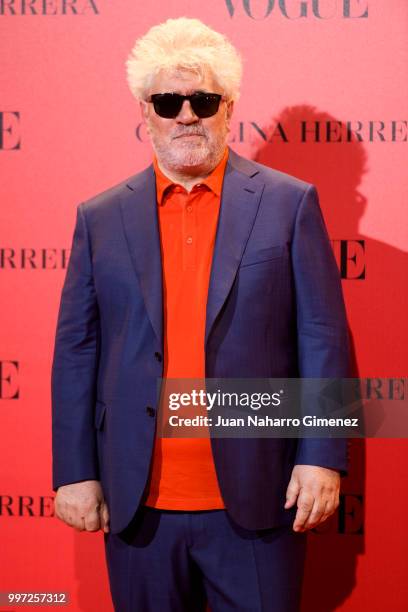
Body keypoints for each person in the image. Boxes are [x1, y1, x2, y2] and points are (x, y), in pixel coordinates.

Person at [51, 17, 350, 612]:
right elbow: (77, 350)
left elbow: (322, 337)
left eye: (203, 99)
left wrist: (322, 455)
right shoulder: (100, 217)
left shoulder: (290, 204)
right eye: (168, 101)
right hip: (137, 504)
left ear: (229, 107)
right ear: (145, 111)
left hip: (260, 499)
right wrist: (73, 471)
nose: (186, 114)